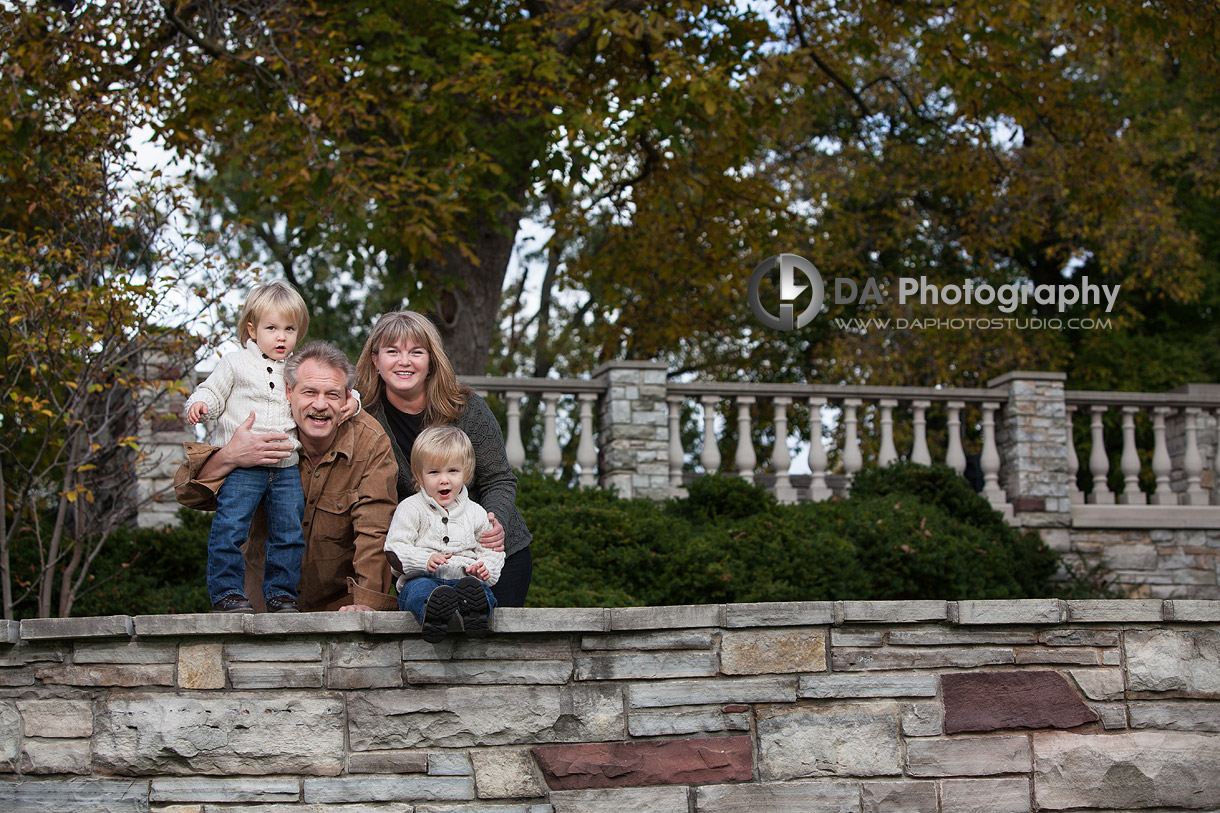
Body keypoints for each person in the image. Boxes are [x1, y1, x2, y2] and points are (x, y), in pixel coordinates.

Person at [175, 340, 400, 612]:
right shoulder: (258, 429)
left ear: (347, 398)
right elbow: (189, 495)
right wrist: (229, 456)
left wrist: (367, 606)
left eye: (332, 394)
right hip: (256, 606)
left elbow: (374, 531)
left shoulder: (370, 442)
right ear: (288, 392)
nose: (320, 404)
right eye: (309, 392)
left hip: (336, 607)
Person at [355, 311, 533, 606]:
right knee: (435, 632)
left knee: (490, 645)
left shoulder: (467, 408)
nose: (404, 361)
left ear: (431, 361)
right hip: (425, 564)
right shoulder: (365, 418)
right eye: (392, 351)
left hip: (490, 557)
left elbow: (499, 478)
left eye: (416, 352)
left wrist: (494, 523)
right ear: (375, 360)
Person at [184, 280, 309, 614]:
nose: (281, 337)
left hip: (284, 469)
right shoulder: (235, 363)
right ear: (253, 330)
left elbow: (330, 384)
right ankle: (227, 593)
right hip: (243, 469)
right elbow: (210, 391)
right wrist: (200, 405)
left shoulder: (298, 368)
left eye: (289, 329)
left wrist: (350, 402)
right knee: (229, 528)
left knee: (289, 533)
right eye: (272, 328)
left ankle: (281, 594)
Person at [385, 425, 502, 643]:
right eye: (434, 472)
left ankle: (475, 614)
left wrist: (485, 569)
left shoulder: (475, 512)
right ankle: (433, 616)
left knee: (481, 591)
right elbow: (394, 549)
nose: (444, 480)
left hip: (464, 579)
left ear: (465, 472)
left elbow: (492, 550)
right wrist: (424, 560)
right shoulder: (411, 508)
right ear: (419, 475)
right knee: (418, 592)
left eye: (452, 471)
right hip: (421, 578)